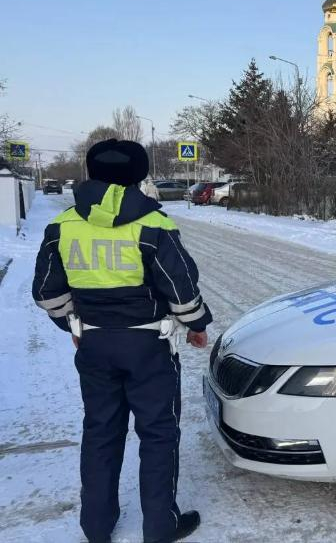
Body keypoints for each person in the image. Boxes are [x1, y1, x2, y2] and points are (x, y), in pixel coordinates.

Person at [32, 139, 212, 543]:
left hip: (94, 347)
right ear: (139, 174)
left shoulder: (63, 225)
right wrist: (197, 325)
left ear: (91, 172)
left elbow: (46, 292)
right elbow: (181, 290)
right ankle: (160, 527)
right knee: (158, 433)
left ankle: (96, 527)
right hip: (149, 347)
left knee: (100, 431)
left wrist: (75, 327)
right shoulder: (155, 224)